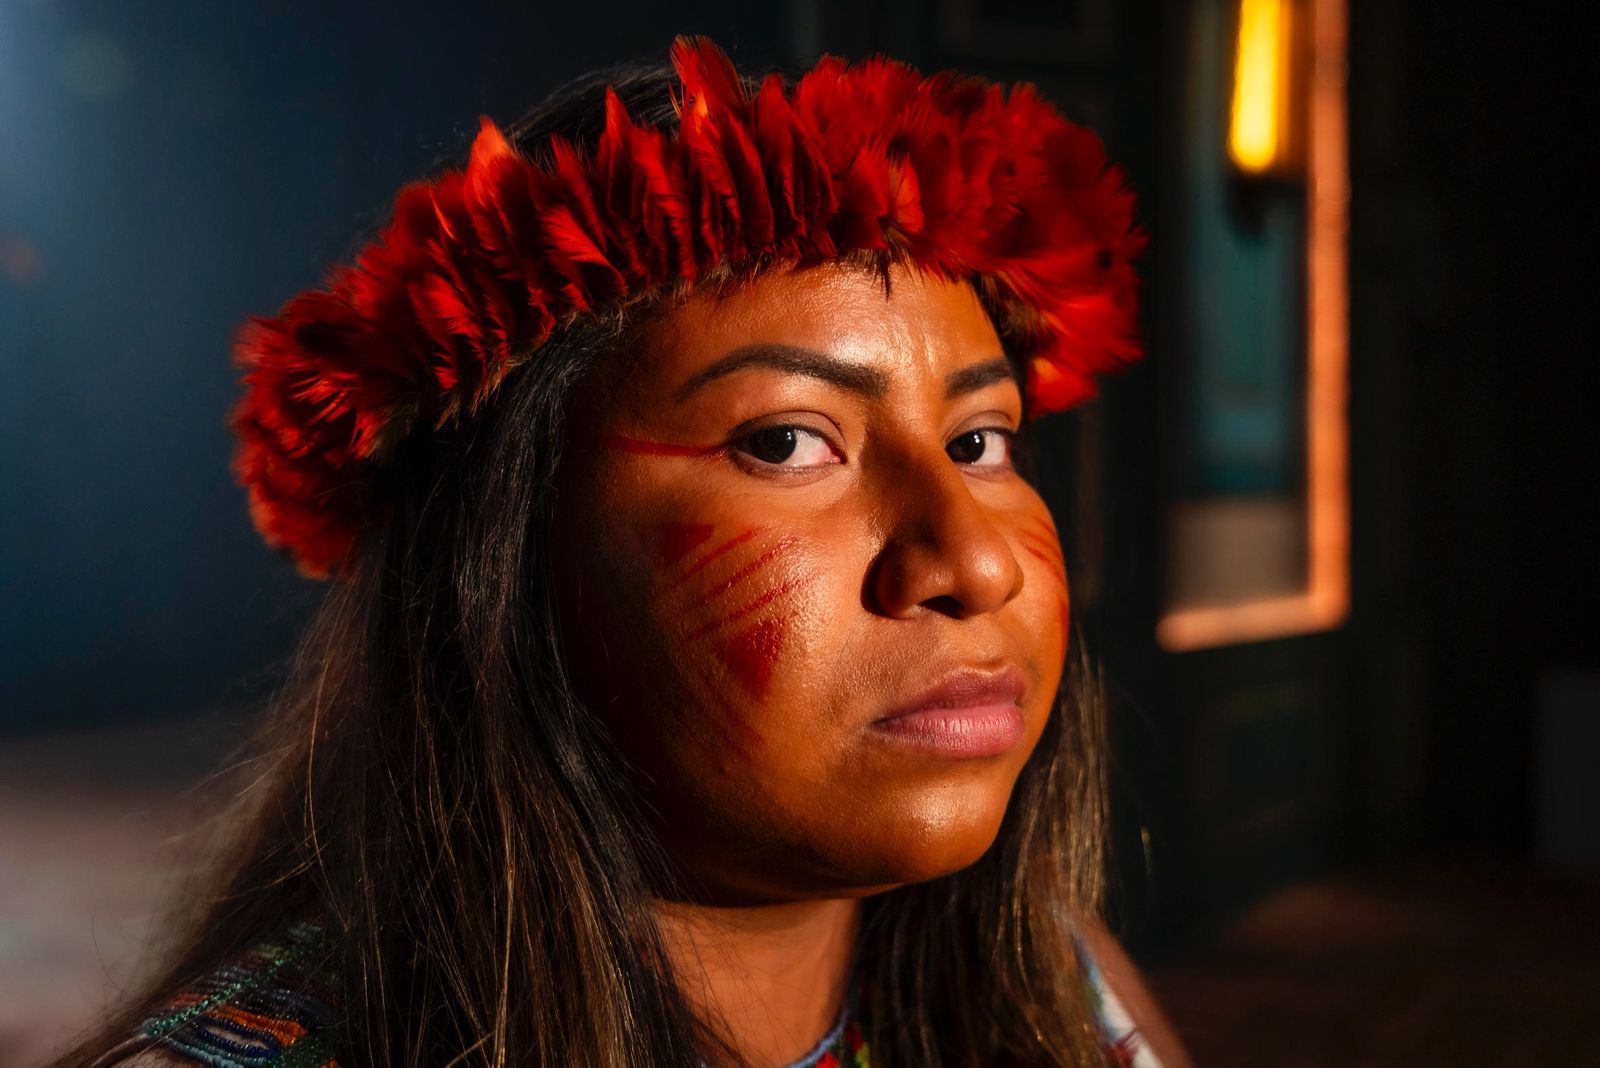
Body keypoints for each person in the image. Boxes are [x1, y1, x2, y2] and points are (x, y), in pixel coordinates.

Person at [57, 37, 1188, 1068]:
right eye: (786, 441)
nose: (973, 563)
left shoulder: (1054, 992)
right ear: (506, 558)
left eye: (979, 440)